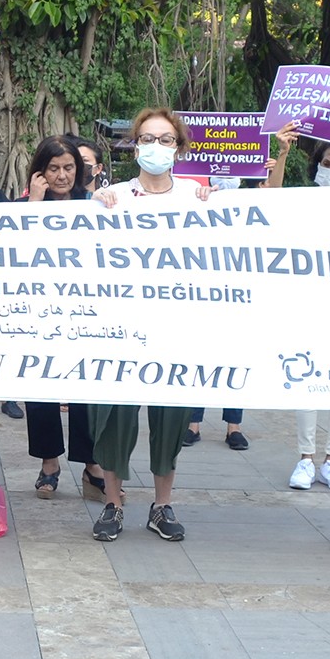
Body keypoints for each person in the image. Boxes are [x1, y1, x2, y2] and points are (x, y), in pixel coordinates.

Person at [82, 109, 209, 543]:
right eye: (148, 138)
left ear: (180, 146)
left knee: (171, 417)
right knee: (114, 416)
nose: (156, 147)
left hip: (177, 330)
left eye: (166, 139)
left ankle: (161, 505)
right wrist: (92, 209)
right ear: (134, 145)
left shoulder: (197, 196)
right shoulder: (112, 196)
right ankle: (114, 505)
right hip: (122, 329)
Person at [263, 125, 330, 491]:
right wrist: (284, 152)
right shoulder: (303, 199)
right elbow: (271, 198)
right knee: (306, 382)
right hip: (306, 304)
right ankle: (305, 458)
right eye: (326, 163)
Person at [20, 136, 107, 497]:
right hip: (37, 314)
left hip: (85, 312)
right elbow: (14, 253)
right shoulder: (23, 207)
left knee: (88, 387)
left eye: (68, 167)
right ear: (40, 171)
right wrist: (34, 205)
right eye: (53, 168)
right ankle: (48, 463)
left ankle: (91, 462)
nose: (61, 175)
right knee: (40, 388)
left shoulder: (94, 205)